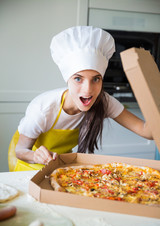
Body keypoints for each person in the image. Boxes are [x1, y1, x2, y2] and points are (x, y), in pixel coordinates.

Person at [14, 26, 153, 171]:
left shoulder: (103, 101)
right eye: (78, 79)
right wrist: (35, 156)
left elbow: (146, 131)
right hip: (28, 164)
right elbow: (20, 151)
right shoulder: (44, 109)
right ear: (67, 80)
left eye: (96, 79)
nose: (88, 90)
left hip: (59, 164)